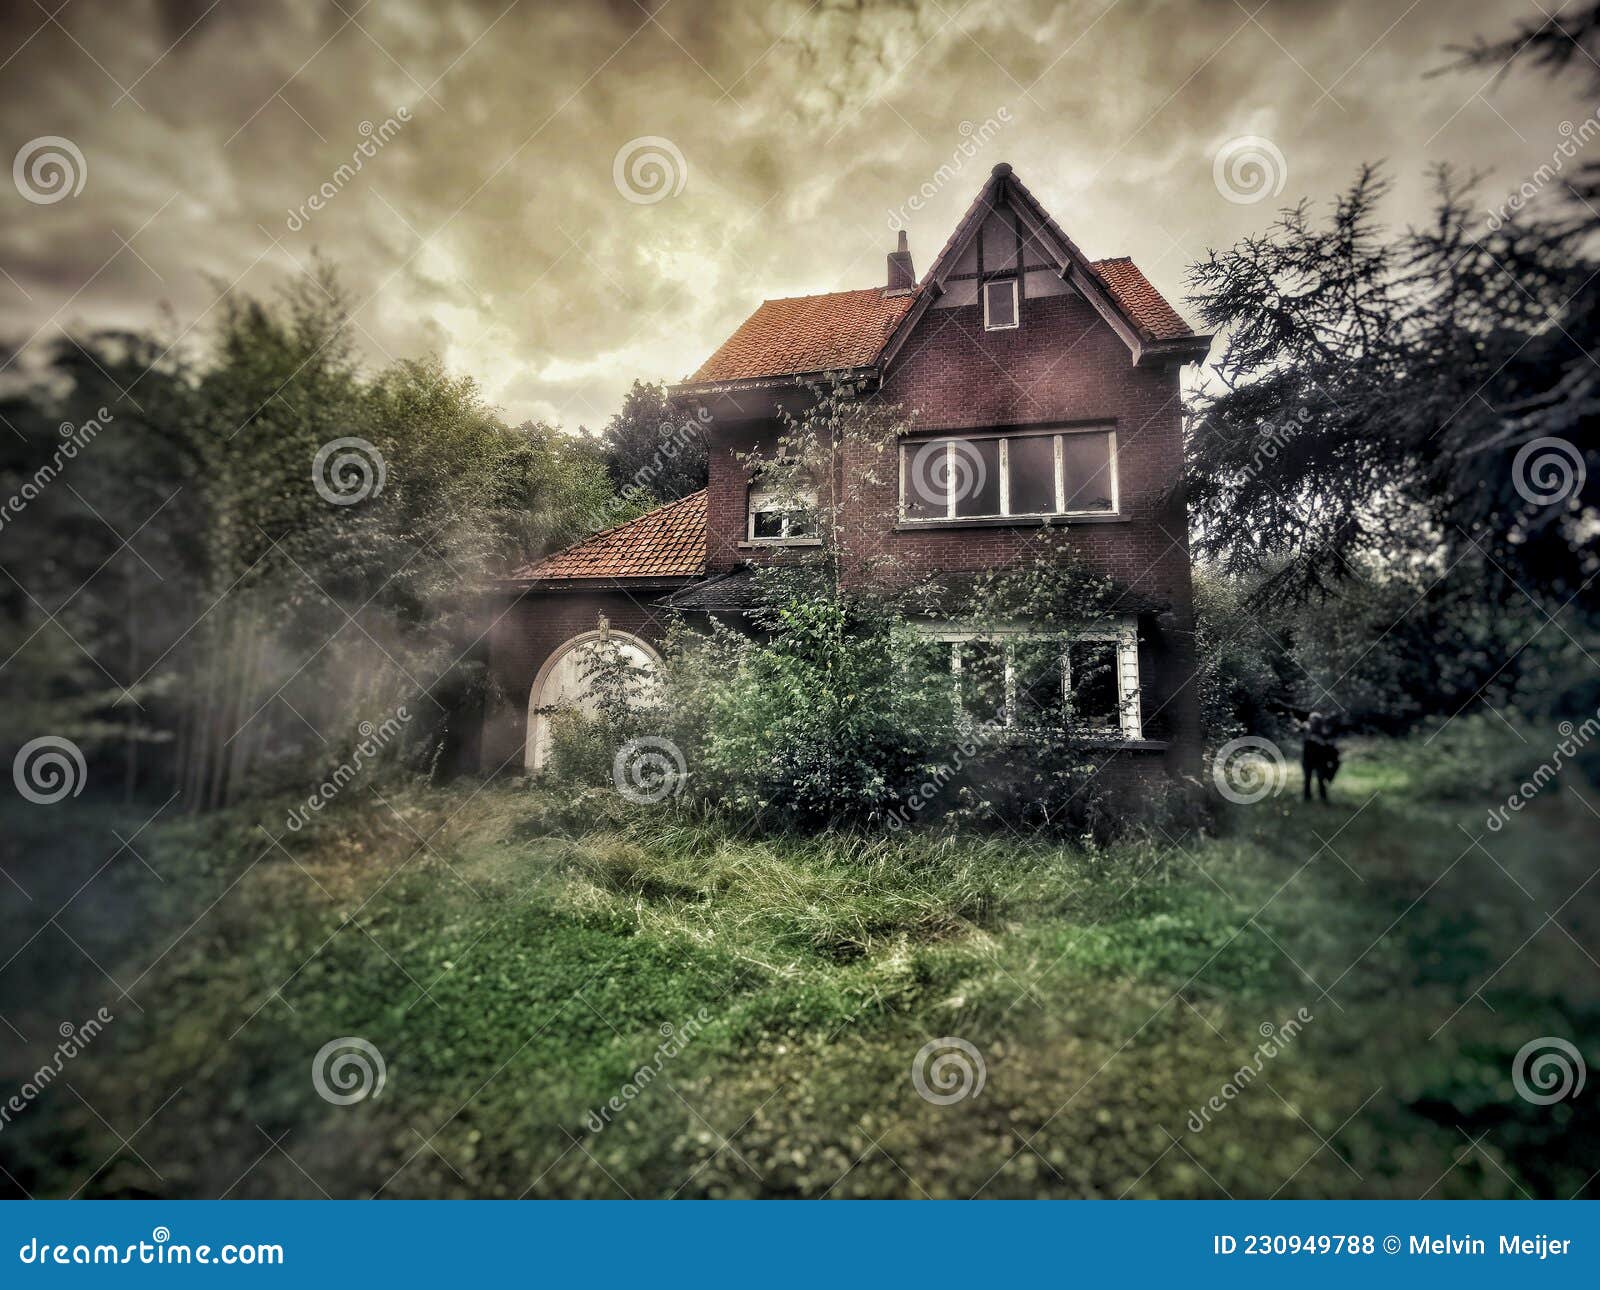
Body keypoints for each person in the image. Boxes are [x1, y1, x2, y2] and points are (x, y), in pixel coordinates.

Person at [1302, 711, 1339, 802]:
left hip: (1320, 760)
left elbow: (1330, 745)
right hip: (1308, 759)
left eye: (1316, 721)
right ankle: (1307, 798)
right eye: (1313, 721)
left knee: (1321, 779)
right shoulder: (1307, 730)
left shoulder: (1323, 732)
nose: (1314, 723)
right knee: (1308, 779)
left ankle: (1323, 798)